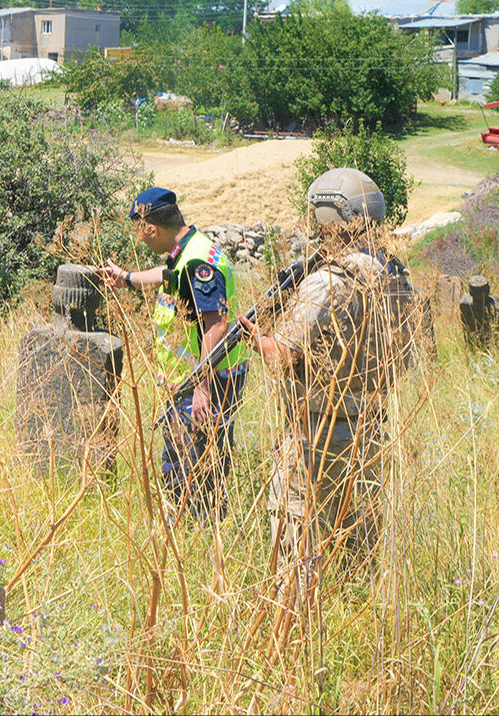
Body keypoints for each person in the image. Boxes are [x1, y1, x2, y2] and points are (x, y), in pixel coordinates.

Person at [240, 168, 416, 605]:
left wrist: (253, 336)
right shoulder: (396, 278)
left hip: (317, 430)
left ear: (328, 215)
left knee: (296, 530)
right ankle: (359, 613)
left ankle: (294, 622)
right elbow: (408, 356)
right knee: (361, 537)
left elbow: (282, 353)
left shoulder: (327, 281)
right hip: (372, 425)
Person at [99, 187, 248, 521]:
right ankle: (198, 529)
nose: (141, 240)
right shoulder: (187, 251)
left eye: (140, 231)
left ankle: (195, 533)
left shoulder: (196, 262)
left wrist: (201, 387)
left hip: (209, 383)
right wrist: (127, 278)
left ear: (151, 228)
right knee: (194, 461)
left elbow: (217, 326)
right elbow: (168, 277)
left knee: (189, 466)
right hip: (199, 380)